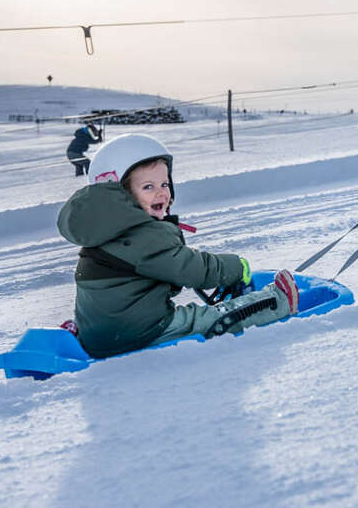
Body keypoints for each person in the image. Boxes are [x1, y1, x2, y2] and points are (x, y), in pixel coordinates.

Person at [57, 133, 299, 358]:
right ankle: (277, 302)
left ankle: (82, 333)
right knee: (209, 320)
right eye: (148, 187)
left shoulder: (102, 231)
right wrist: (236, 267)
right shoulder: (141, 235)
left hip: (99, 335)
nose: (162, 193)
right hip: (139, 333)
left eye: (164, 184)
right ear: (119, 196)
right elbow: (195, 269)